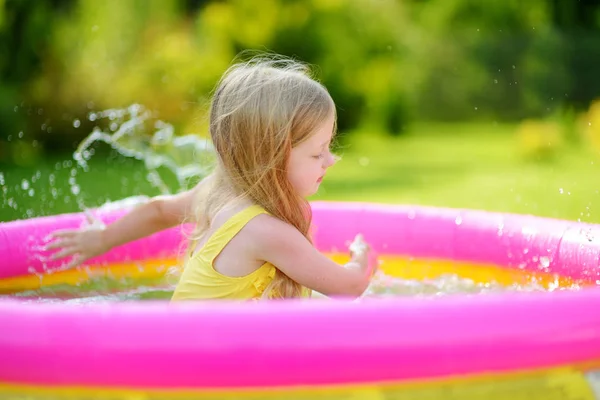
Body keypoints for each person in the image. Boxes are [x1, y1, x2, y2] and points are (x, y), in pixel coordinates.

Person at [47, 55, 378, 301]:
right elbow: (349, 287)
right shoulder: (266, 231)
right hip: (204, 371)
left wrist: (102, 239)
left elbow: (159, 210)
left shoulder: (221, 192)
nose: (331, 160)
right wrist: (362, 256)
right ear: (271, 155)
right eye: (318, 152)